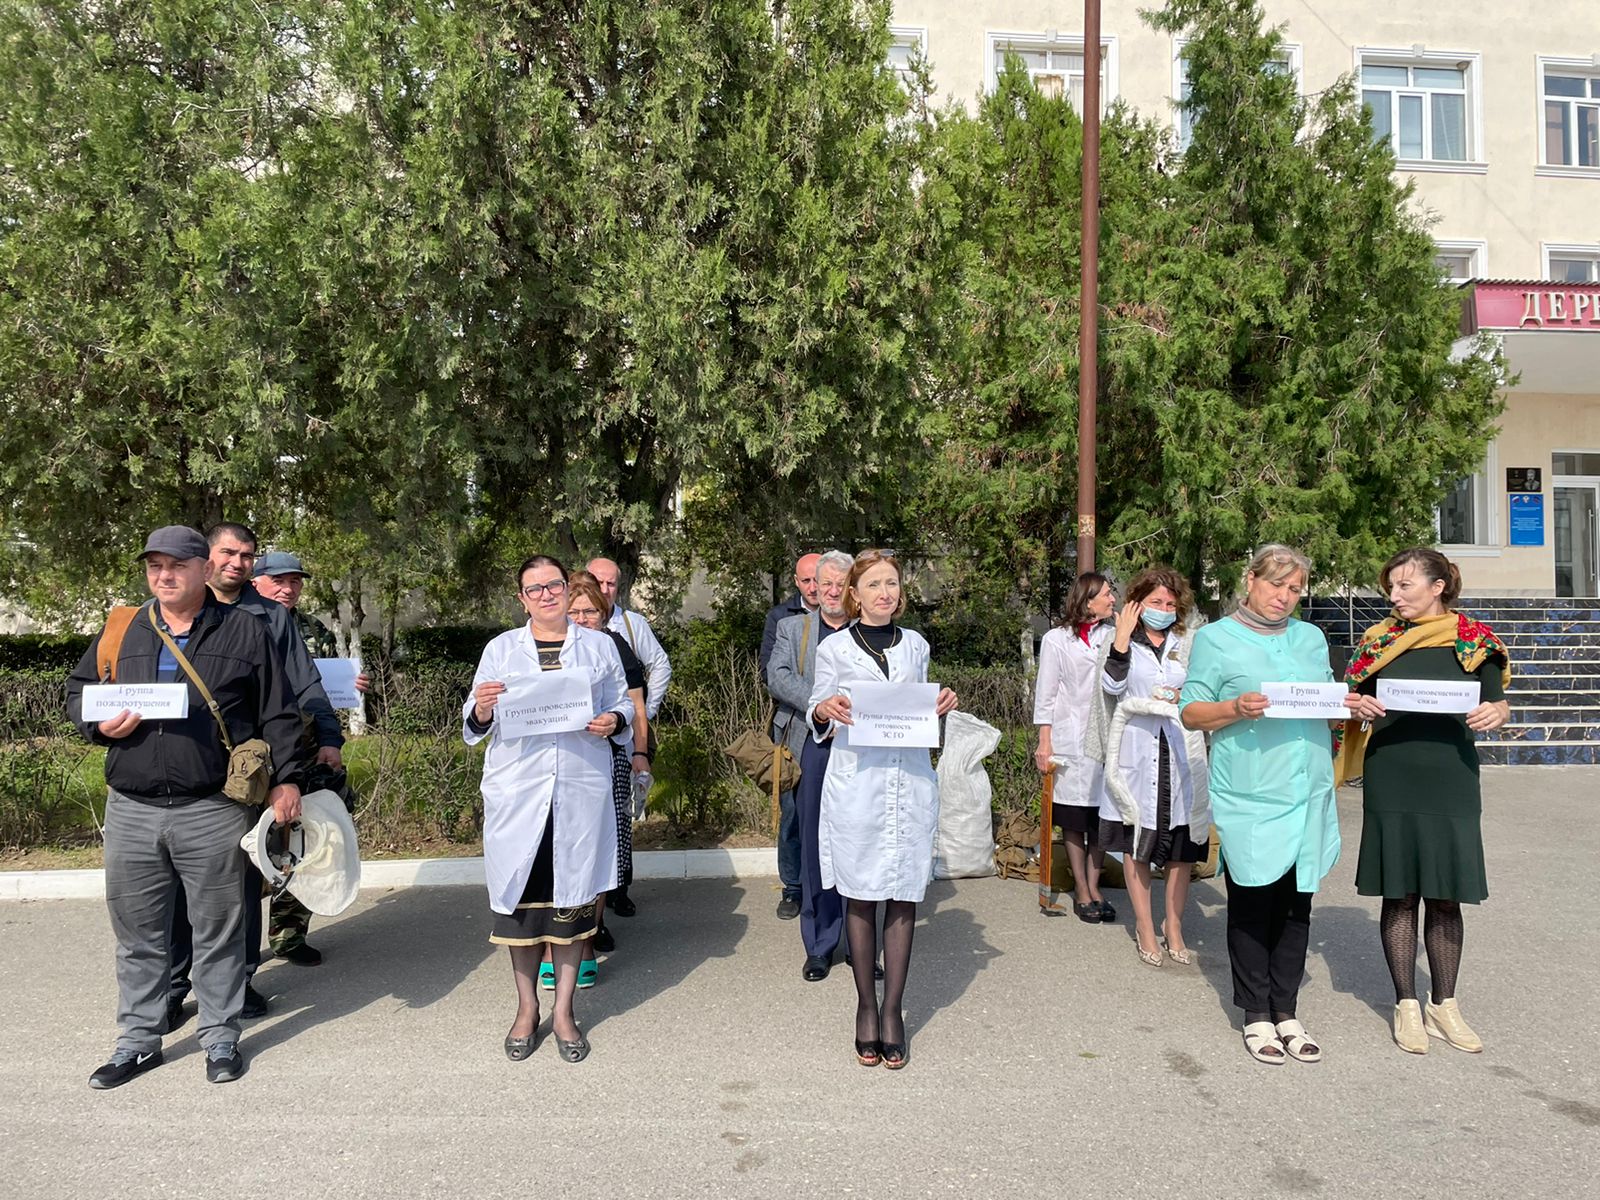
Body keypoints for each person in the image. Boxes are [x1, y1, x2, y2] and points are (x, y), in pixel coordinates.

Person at [66, 526, 306, 1089]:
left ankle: (220, 1038)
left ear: (202, 569)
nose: (164, 575)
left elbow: (278, 712)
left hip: (212, 807)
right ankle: (138, 1043)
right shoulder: (122, 628)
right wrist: (96, 723)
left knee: (219, 930)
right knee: (138, 933)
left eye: (176, 565)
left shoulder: (247, 630)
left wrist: (286, 781)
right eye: (154, 566)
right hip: (131, 808)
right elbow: (79, 692)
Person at [1181, 544, 1364, 1065]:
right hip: (1252, 793)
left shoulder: (1310, 638)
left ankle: (1287, 1009)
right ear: (1250, 579)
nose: (1283, 597)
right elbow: (1192, 712)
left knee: (1297, 901)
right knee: (1253, 900)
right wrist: (1234, 708)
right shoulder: (1215, 639)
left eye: (1294, 589)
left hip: (1308, 789)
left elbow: (1325, 705)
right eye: (1274, 584)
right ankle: (1255, 1013)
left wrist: (1344, 706)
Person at [165, 524, 343, 1029]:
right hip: (180, 767)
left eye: (247, 556)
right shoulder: (166, 613)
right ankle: (174, 986)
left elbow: (302, 685)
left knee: (240, 879)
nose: (237, 563)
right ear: (205, 558)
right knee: (178, 887)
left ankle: (238, 982)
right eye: (229, 553)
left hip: (246, 769)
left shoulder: (271, 617)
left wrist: (328, 736)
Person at [1337, 547, 1510, 1056]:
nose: (1394, 596)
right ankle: (1406, 1003)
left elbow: (1494, 698)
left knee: (1445, 893)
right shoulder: (1379, 640)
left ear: (1438, 587)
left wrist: (1498, 711)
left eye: (1405, 586)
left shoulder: (1476, 641)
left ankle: (1445, 1004)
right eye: (1390, 587)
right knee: (1401, 891)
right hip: (1393, 773)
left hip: (1451, 776)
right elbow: (1348, 697)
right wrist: (1357, 703)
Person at [465, 555, 631, 1063]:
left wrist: (613, 721)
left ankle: (563, 1011)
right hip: (519, 792)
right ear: (522, 599)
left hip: (577, 791)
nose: (546, 596)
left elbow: (623, 703)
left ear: (567, 588)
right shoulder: (501, 650)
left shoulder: (599, 646)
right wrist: (485, 707)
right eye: (534, 590)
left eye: (553, 585)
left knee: (571, 905)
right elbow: (472, 723)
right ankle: (524, 1009)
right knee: (521, 906)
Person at [807, 550, 958, 1068]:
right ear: (855, 592)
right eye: (873, 584)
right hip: (857, 785)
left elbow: (920, 703)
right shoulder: (835, 647)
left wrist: (941, 703)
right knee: (860, 893)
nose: (884, 592)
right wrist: (825, 709)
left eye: (891, 583)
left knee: (903, 892)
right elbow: (817, 707)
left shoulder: (915, 645)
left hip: (910, 781)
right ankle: (865, 1007)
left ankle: (893, 1011)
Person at [251, 549, 372, 967]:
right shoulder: (244, 622)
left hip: (308, 747)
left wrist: (349, 685)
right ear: (255, 582)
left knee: (307, 840)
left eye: (295, 581)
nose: (288, 589)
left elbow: (318, 688)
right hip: (256, 754)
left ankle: (288, 933)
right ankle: (242, 950)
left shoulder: (312, 629)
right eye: (279, 581)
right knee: (257, 846)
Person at [1087, 566, 1210, 969]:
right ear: (1138, 603)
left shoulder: (1187, 640)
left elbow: (1202, 688)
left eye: (1171, 604)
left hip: (1179, 750)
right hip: (1136, 750)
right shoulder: (1115, 638)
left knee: (1181, 847)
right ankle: (1143, 926)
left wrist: (1182, 693)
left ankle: (1173, 925)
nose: (1163, 609)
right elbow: (1111, 688)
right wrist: (1121, 640)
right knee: (1136, 841)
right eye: (1156, 602)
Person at [545, 570, 649, 988]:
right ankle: (559, 941)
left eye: (591, 610)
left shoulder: (613, 647)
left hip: (607, 760)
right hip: (554, 770)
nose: (583, 617)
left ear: (604, 613)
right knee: (558, 857)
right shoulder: (546, 648)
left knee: (599, 856)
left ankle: (587, 937)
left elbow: (634, 706)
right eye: (575, 610)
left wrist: (638, 753)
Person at [767, 550, 853, 978]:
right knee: (814, 840)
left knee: (859, 842)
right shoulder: (793, 627)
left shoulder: (870, 631)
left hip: (862, 748)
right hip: (810, 742)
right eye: (826, 583)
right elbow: (777, 676)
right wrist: (819, 707)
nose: (833, 591)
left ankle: (860, 941)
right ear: (814, 587)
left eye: (842, 583)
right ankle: (820, 942)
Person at [1033, 572, 1118, 923]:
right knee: (1073, 817)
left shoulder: (1115, 636)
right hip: (1069, 740)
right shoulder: (1056, 639)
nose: (1113, 600)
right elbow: (1047, 692)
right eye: (1108, 595)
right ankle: (1081, 889)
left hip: (1108, 738)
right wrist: (1044, 741)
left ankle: (1095, 885)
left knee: (1102, 817)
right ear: (1088, 601)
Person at [761, 552, 821, 919]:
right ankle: (792, 887)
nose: (815, 588)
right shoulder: (781, 618)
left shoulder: (847, 618)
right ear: (796, 583)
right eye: (807, 581)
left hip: (843, 730)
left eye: (821, 580)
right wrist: (820, 703)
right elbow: (772, 675)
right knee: (793, 813)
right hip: (795, 729)